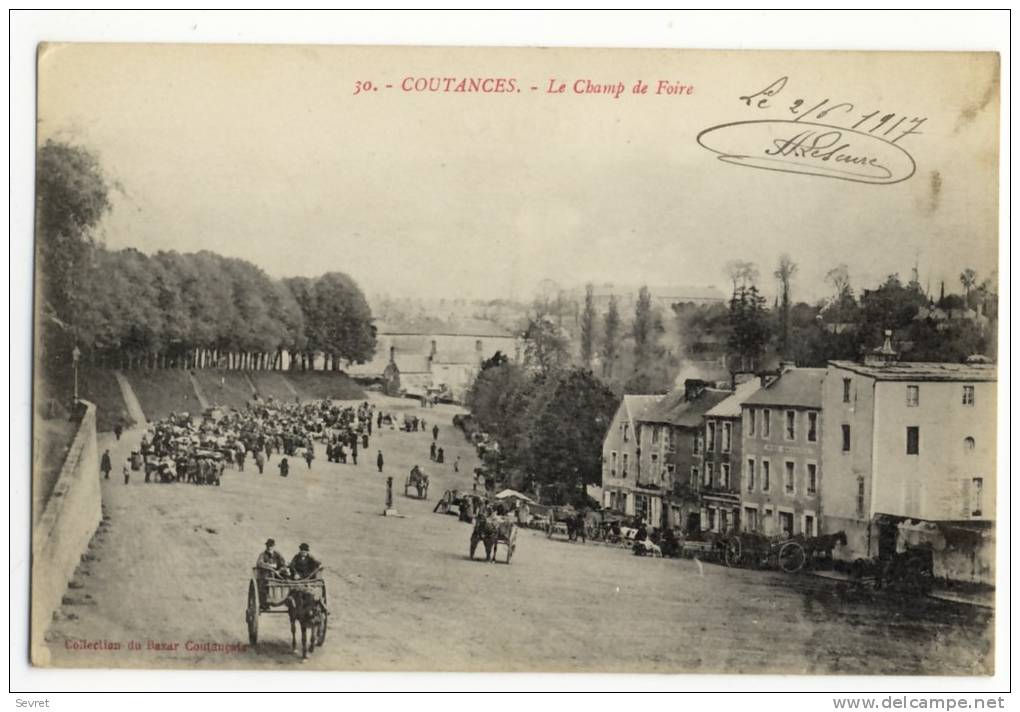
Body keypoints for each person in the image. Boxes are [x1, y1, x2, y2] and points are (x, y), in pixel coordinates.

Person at [255, 538, 287, 610]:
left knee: (286, 578)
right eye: (268, 546)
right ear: (266, 546)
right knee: (263, 584)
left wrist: (279, 570)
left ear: (273, 546)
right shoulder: (263, 554)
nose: (270, 547)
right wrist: (270, 566)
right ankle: (265, 603)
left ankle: (285, 598)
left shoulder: (277, 554)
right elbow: (259, 563)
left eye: (271, 546)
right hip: (266, 575)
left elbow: (283, 564)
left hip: (277, 575)